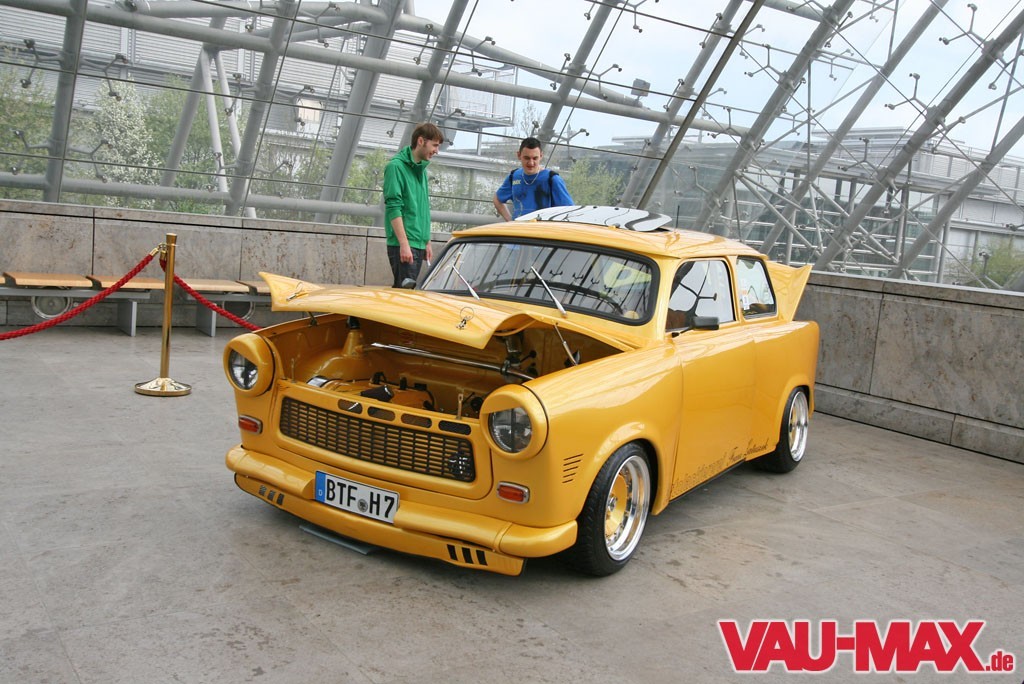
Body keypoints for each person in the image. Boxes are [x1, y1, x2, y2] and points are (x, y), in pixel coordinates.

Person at [383, 122, 444, 287]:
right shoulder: (395, 167)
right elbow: (393, 207)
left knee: (407, 295)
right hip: (405, 245)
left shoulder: (421, 171)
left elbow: (423, 208)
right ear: (421, 141)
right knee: (404, 295)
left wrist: (426, 241)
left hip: (417, 244)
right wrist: (404, 244)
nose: (437, 151)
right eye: (435, 145)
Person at [492, 137, 574, 221]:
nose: (531, 163)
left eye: (535, 158)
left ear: (541, 156)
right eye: (527, 158)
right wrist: (510, 221)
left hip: (541, 228)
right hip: (519, 228)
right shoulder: (513, 177)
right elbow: (497, 199)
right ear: (519, 155)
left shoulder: (552, 179)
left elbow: (569, 211)